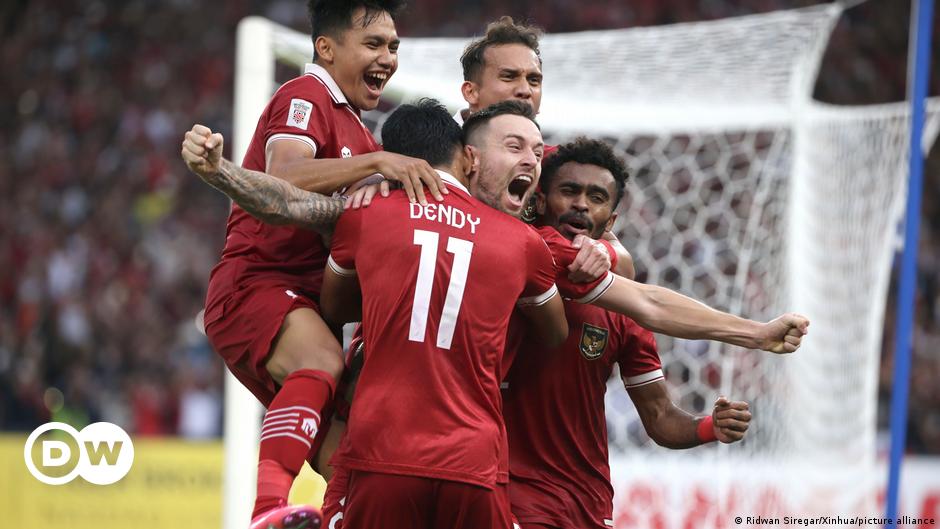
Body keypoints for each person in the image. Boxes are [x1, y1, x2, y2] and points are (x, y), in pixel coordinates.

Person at [182, 1, 447, 527]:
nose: (388, 57)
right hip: (256, 286)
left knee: (352, 460)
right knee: (322, 362)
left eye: (393, 46)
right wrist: (376, 164)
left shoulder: (361, 133)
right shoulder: (306, 96)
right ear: (326, 48)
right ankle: (266, 513)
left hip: (310, 309)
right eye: (373, 44)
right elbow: (287, 175)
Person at [319, 99, 568, 529]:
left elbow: (335, 308)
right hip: (474, 460)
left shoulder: (364, 214)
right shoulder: (522, 242)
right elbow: (555, 333)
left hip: (383, 451)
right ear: (468, 157)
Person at [503, 137, 753, 529]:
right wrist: (754, 333)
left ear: (611, 221)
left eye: (596, 196)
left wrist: (708, 427)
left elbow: (659, 415)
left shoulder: (623, 308)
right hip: (510, 492)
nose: (581, 204)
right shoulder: (514, 263)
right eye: (569, 191)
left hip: (587, 499)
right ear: (540, 201)